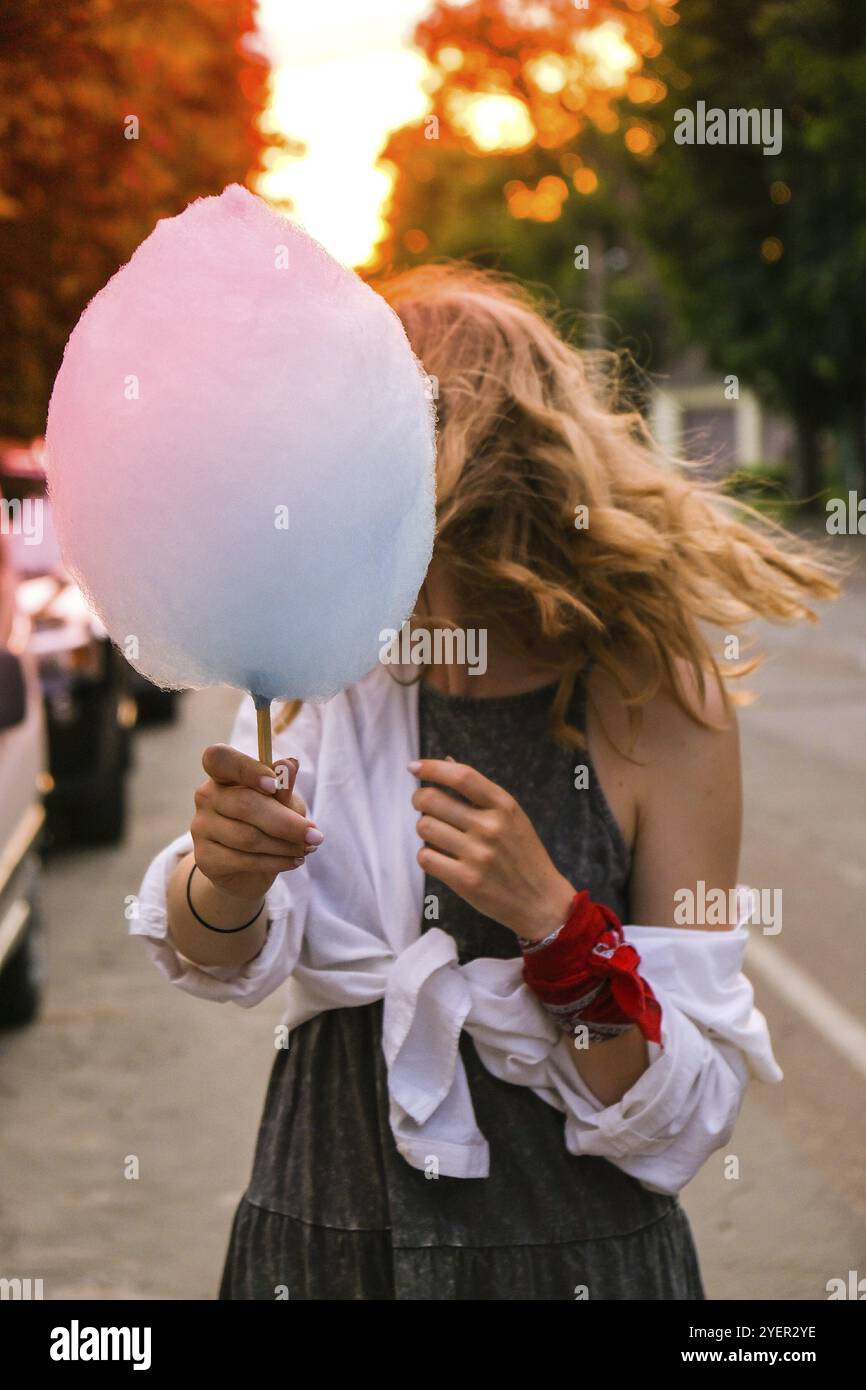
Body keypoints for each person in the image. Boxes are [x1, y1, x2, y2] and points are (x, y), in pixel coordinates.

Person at [133, 266, 836, 1301]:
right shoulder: (315, 670)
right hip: (322, 1241)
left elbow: (683, 1118)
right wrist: (221, 877)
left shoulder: (653, 698)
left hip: (573, 1263)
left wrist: (559, 933)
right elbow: (215, 961)